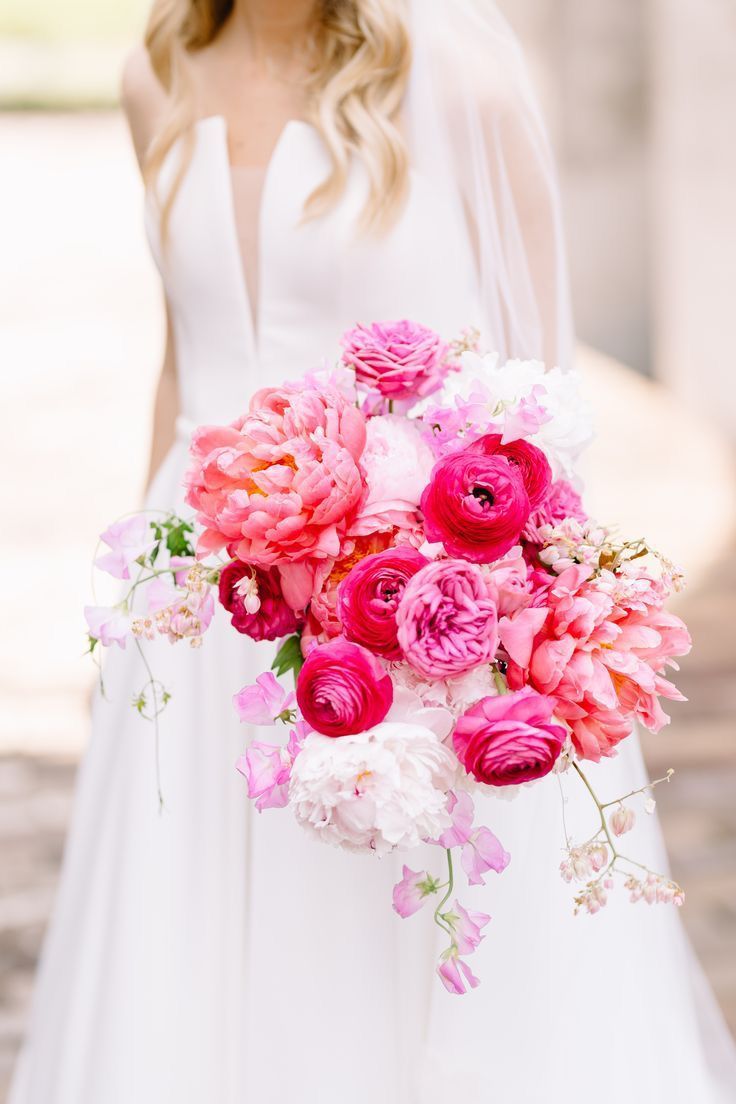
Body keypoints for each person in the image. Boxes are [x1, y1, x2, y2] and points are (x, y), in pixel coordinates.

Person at [10, 1, 736, 1101]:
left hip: (385, 591)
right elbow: (183, 357)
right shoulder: (156, 77)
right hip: (203, 594)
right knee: (195, 922)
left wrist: (508, 623)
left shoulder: (458, 87)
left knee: (375, 920)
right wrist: (135, 601)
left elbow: (536, 403)